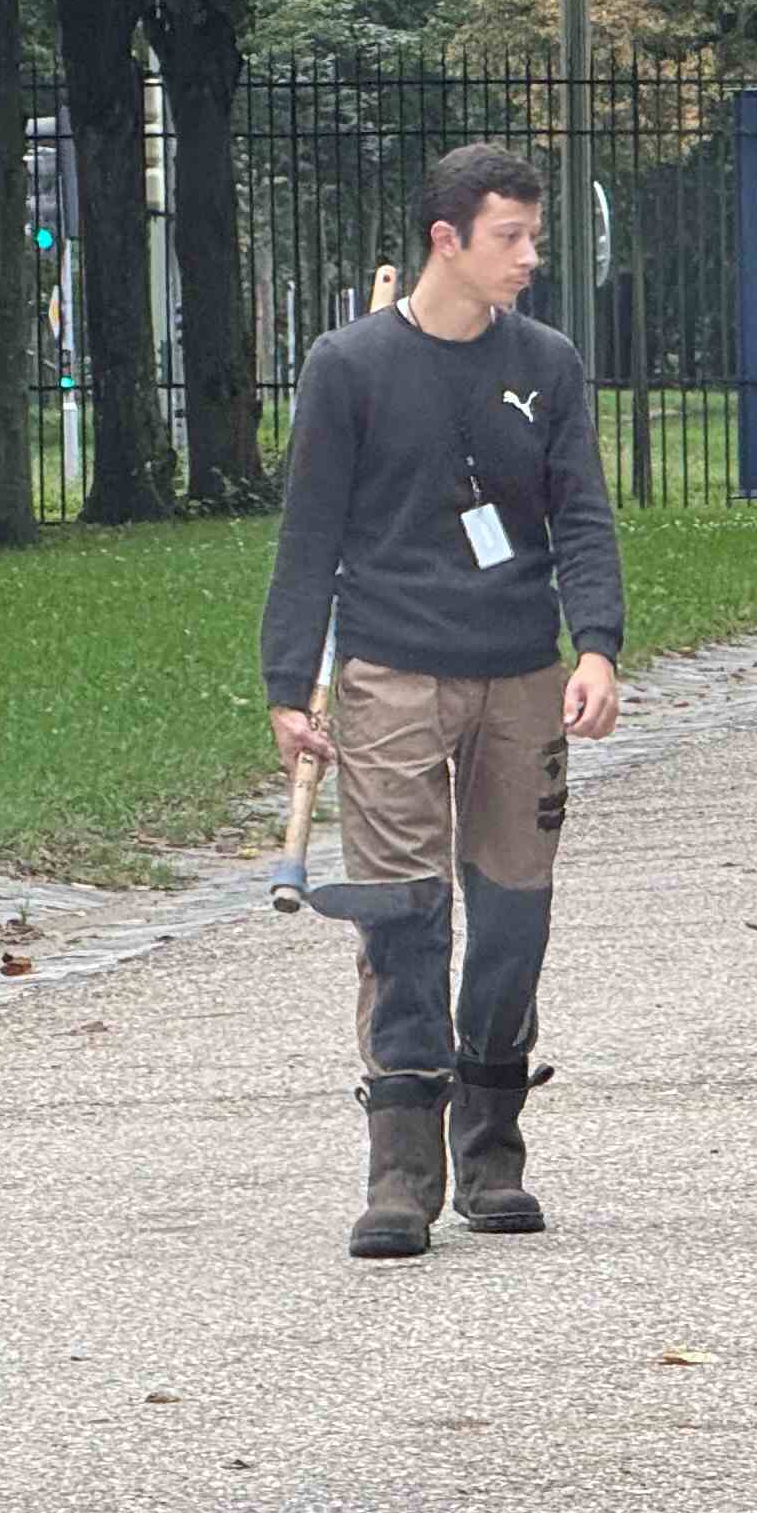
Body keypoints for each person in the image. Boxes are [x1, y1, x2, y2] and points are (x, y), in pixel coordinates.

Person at [262, 142, 625, 1260]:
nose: (530, 257)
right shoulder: (349, 365)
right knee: (404, 914)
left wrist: (597, 647)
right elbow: (309, 533)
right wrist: (287, 684)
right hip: (390, 672)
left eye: (534, 236)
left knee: (513, 912)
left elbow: (581, 512)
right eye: (510, 237)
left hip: (520, 668)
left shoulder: (548, 363)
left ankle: (493, 1145)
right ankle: (402, 1167)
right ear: (446, 241)